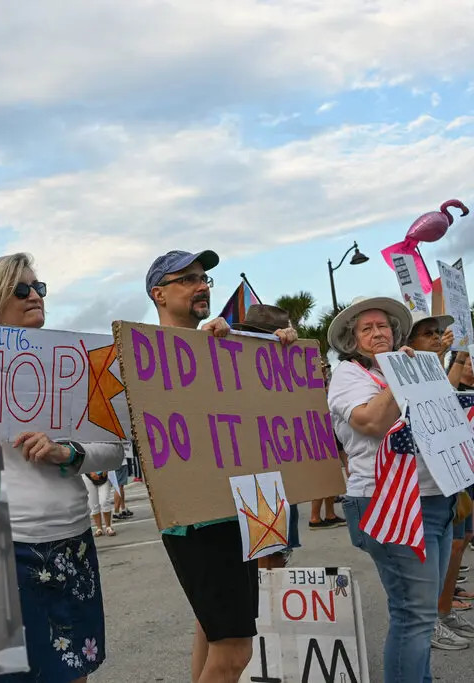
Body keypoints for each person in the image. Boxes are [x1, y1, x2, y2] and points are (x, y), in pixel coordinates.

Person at [147, 251, 298, 683]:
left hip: (241, 506)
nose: (201, 286)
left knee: (212, 633)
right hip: (197, 515)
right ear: (158, 293)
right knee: (234, 650)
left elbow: (264, 420)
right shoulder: (146, 356)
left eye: (205, 278)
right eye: (187, 279)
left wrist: (274, 356)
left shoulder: (227, 348)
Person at [0, 252, 125, 683]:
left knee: (74, 671)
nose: (34, 296)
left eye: (38, 288)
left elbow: (114, 450)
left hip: (72, 539)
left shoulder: (78, 363)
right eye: (21, 289)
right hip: (7, 546)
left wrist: (68, 452)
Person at [327, 296, 464, 677]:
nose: (377, 333)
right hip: (388, 502)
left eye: (383, 326)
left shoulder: (409, 365)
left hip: (434, 499)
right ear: (352, 340)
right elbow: (370, 422)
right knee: (415, 615)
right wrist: (402, 375)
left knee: (422, 612)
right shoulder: (348, 375)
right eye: (366, 329)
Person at [404, 311, 474, 619]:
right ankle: (436, 616)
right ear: (410, 341)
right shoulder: (407, 373)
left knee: (459, 541)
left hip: (452, 471)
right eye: (428, 333)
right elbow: (441, 402)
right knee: (451, 547)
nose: (436, 337)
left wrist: (456, 354)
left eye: (437, 332)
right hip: (428, 482)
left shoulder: (433, 367)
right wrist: (458, 357)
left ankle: (442, 613)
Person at [231, 304, 302, 569]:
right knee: (253, 553)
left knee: (275, 552)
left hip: (277, 471)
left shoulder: (289, 367)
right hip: (244, 470)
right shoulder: (229, 364)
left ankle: (269, 604)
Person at [84, 471, 116, 537]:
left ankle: (108, 527)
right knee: (93, 502)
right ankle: (99, 528)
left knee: (104, 500)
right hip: (87, 474)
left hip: (104, 473)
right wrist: (90, 472)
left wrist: (106, 468)